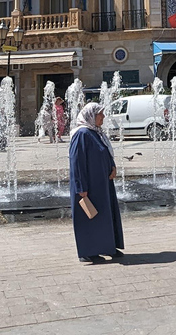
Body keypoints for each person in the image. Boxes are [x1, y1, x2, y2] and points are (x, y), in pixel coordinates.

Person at [68, 103, 124, 264]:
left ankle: (108, 246)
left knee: (104, 214)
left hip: (101, 184)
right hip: (88, 186)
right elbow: (76, 163)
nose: (103, 117)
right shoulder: (82, 134)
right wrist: (81, 188)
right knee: (90, 217)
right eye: (100, 114)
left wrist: (112, 166)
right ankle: (88, 251)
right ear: (91, 116)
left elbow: (104, 152)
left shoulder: (94, 133)